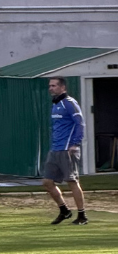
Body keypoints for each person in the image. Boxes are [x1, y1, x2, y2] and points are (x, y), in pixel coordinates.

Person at [45, 77, 87, 225]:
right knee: (47, 182)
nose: (51, 88)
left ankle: (82, 215)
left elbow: (80, 123)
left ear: (62, 87)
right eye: (50, 85)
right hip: (55, 148)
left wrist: (75, 143)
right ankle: (64, 210)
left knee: (72, 181)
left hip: (67, 148)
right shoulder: (56, 105)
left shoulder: (70, 103)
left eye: (54, 85)